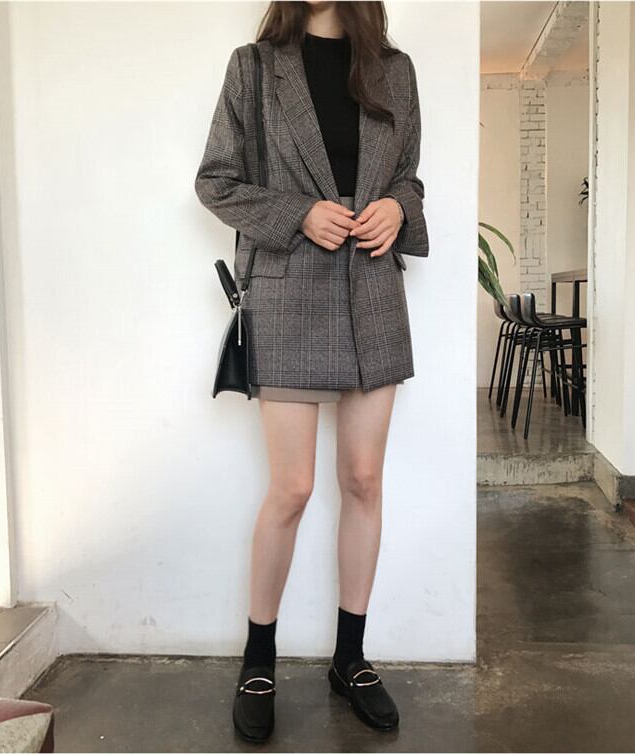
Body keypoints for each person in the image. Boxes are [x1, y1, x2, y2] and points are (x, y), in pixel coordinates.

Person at [195, 0, 429, 741]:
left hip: (372, 290)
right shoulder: (254, 68)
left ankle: (349, 659)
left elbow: (410, 178)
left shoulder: (394, 71)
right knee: (292, 488)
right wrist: (298, 213)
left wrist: (397, 207)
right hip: (290, 289)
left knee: (363, 481)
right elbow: (216, 181)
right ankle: (258, 660)